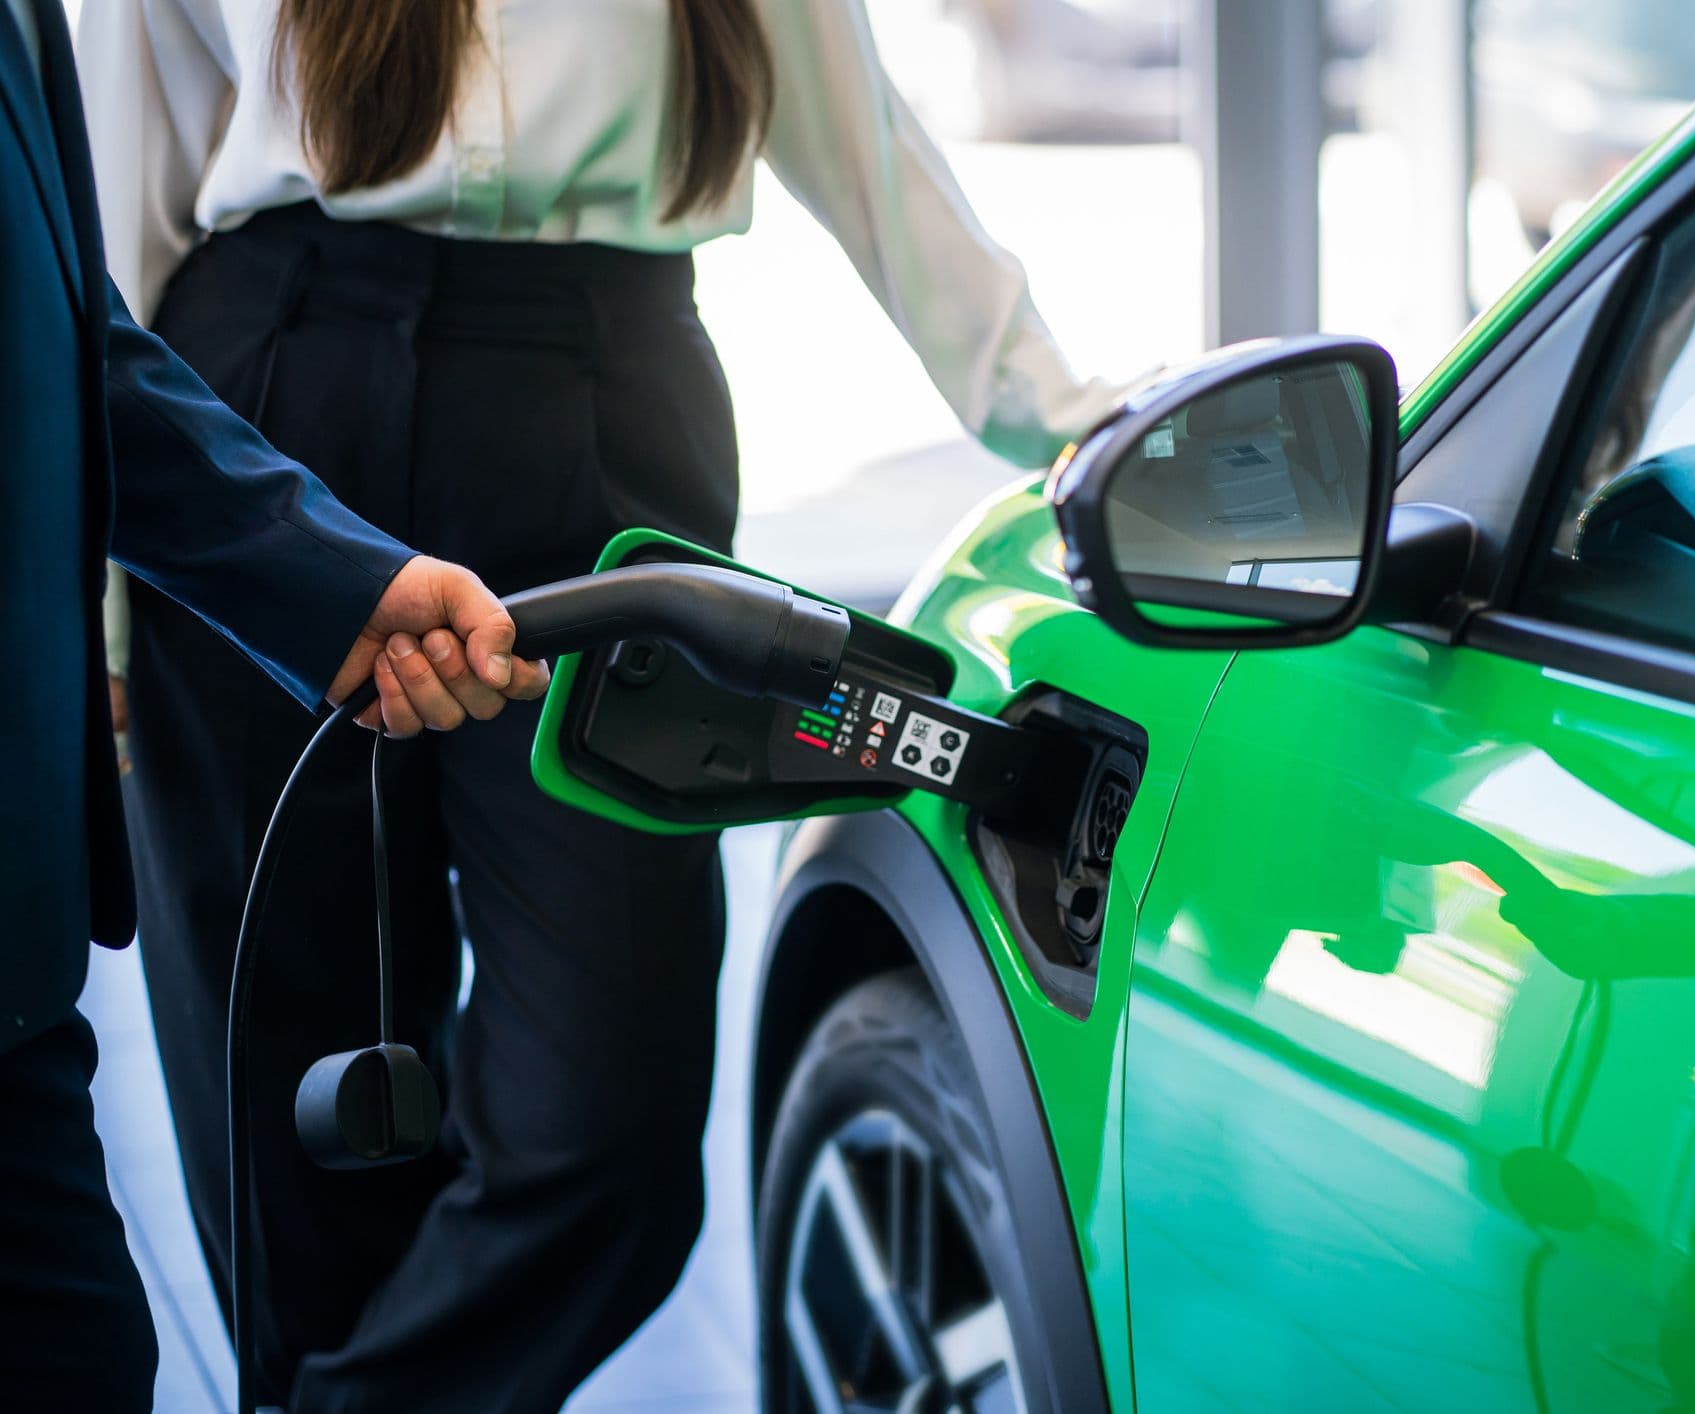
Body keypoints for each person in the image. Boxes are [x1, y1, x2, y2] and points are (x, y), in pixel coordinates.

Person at [77, 0, 1117, 1407]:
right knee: (292, 1105)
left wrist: (1081, 424)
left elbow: (864, 133)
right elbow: (120, 168)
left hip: (606, 413)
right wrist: (108, 583)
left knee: (606, 1130)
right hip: (264, 406)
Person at [0, 0, 551, 1406]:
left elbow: (70, 342)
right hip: (286, 327)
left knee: (84, 1351)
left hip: (16, 965)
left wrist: (334, 586)